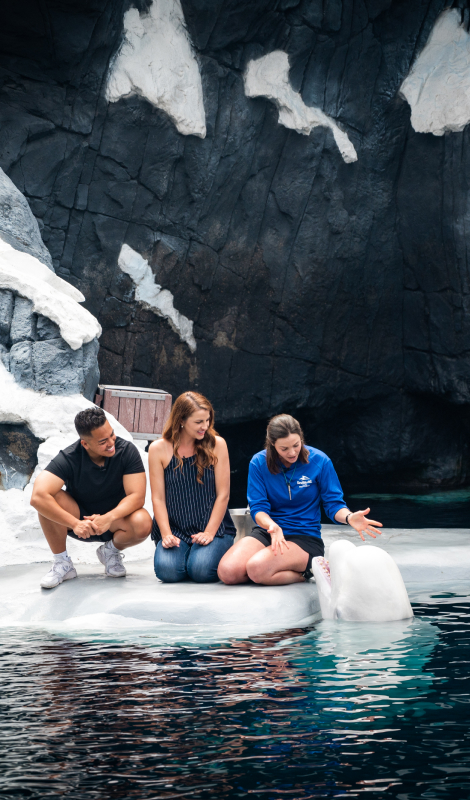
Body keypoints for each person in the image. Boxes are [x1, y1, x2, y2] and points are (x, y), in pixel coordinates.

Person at [217, 414, 382, 586]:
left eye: (296, 445)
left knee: (257, 568)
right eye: (284, 448)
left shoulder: (320, 461)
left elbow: (333, 504)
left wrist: (349, 517)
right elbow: (258, 507)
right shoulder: (258, 463)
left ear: (301, 438)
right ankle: (273, 565)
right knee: (228, 572)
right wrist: (272, 526)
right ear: (272, 444)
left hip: (304, 537)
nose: (292, 452)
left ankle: (306, 572)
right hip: (269, 531)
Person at [31, 407, 152, 589]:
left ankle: (110, 552)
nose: (112, 442)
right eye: (103, 441)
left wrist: (108, 518)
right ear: (85, 444)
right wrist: (75, 523)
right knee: (48, 498)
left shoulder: (127, 451)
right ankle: (62, 563)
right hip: (79, 521)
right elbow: (37, 497)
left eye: (112, 435)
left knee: (143, 521)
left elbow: (137, 497)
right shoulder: (70, 456)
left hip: (115, 521)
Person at [149, 391, 236, 582]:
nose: (205, 426)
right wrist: (166, 534)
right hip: (175, 528)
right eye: (198, 422)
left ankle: (202, 554)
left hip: (213, 527)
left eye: (207, 420)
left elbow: (223, 495)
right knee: (167, 571)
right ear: (181, 420)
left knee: (201, 570)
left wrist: (209, 532)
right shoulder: (158, 449)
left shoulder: (217, 444)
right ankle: (188, 555)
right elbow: (158, 498)